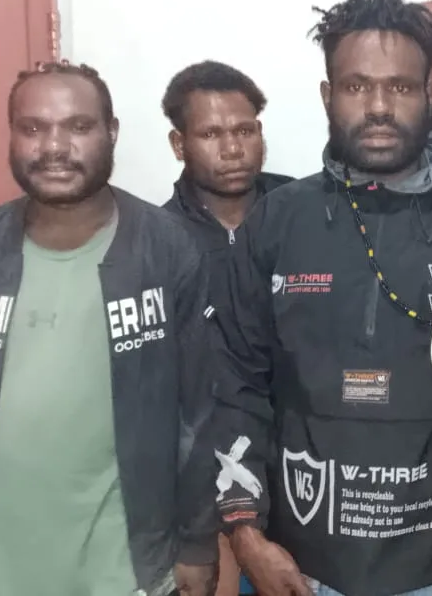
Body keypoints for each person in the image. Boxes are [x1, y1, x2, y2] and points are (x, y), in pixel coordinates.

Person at [211, 0, 432, 596]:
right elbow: (235, 385)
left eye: (400, 87)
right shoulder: (278, 222)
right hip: (298, 568)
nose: (378, 107)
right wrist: (245, 533)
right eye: (356, 86)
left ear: (428, 94)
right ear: (327, 96)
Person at [0, 60, 218, 596]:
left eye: (78, 126)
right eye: (33, 127)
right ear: (12, 135)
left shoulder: (168, 251)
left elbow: (199, 410)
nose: (54, 147)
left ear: (111, 132)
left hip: (124, 572)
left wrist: (196, 542)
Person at [160, 60, 294, 596]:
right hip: (205, 482)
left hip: (307, 470)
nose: (233, 148)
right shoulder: (157, 242)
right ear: (179, 143)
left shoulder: (306, 216)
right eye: (211, 134)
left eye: (244, 130)